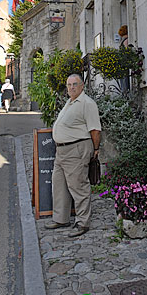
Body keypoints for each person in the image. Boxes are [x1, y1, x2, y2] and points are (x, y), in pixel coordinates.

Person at [46, 73, 101, 237]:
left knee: (79, 187)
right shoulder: (70, 102)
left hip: (76, 149)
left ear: (82, 85)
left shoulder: (87, 103)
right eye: (69, 85)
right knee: (59, 185)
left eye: (75, 84)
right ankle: (61, 218)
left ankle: (83, 222)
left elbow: (95, 130)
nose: (71, 87)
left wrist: (95, 149)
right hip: (62, 151)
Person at [118, 25, 130, 93]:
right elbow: (127, 51)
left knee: (123, 81)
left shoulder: (123, 41)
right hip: (124, 63)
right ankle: (126, 92)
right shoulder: (126, 40)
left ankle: (124, 92)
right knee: (125, 80)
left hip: (122, 64)